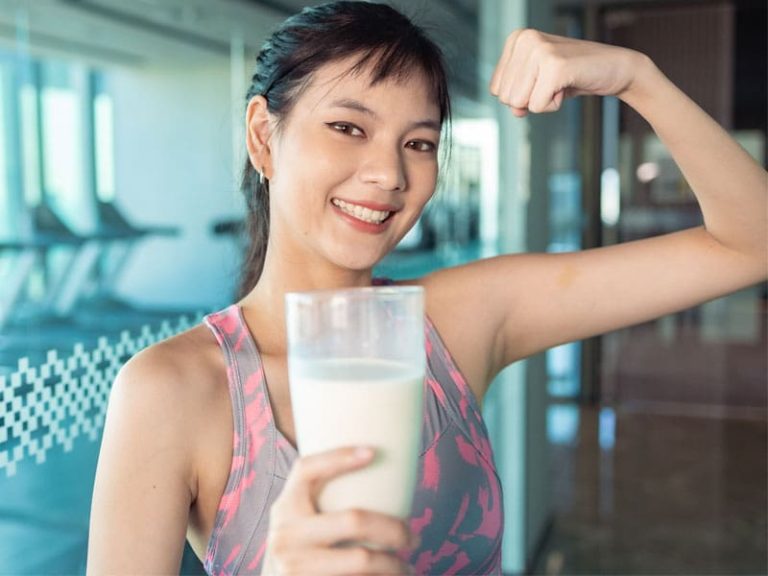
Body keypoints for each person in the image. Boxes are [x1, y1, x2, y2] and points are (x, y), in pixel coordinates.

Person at [86, 1, 767, 575]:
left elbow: (750, 244)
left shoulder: (461, 319)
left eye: (418, 143)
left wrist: (635, 77)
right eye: (348, 128)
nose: (388, 173)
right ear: (264, 137)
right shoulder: (172, 392)